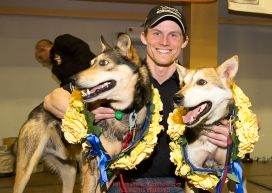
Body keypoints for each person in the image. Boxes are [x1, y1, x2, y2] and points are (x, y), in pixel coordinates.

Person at [43, 5, 229, 193]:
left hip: (174, 187)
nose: (164, 41)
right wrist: (85, 114)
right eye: (156, 33)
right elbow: (51, 100)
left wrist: (231, 134)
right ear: (143, 37)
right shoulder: (122, 77)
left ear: (184, 42)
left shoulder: (196, 86)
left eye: (173, 35)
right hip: (123, 184)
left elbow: (248, 120)